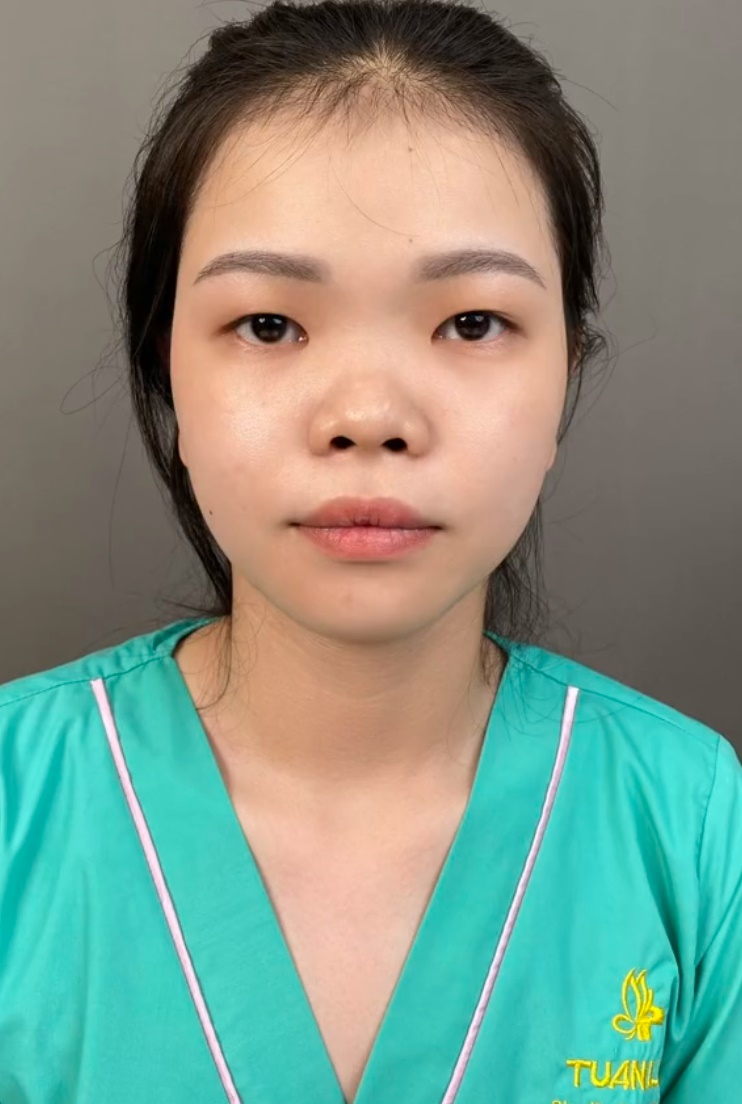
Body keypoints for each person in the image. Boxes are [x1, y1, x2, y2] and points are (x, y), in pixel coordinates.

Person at [0, 1, 739, 1101]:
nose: (369, 416)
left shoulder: (691, 820)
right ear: (168, 375)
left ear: (565, 377)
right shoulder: (15, 802)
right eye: (268, 325)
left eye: (472, 323)